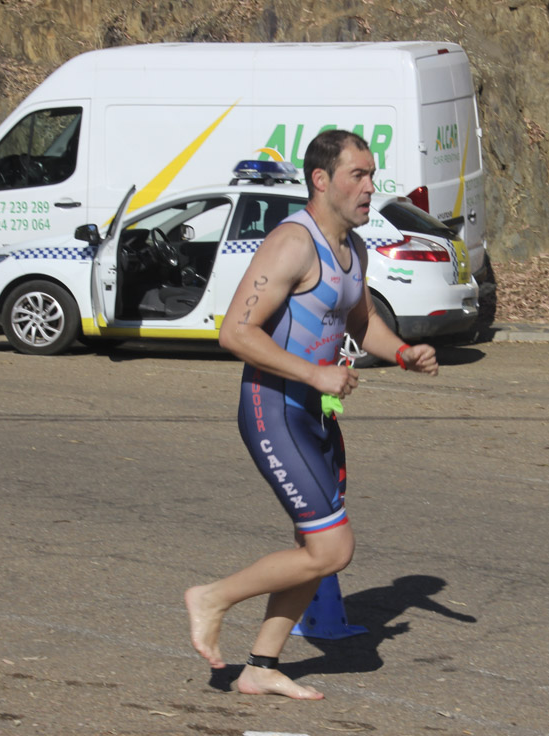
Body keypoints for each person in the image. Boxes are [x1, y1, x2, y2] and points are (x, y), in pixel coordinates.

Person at [184, 130, 439, 700]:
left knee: (313, 551)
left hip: (313, 416)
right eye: (358, 175)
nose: (371, 187)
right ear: (321, 180)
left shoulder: (354, 247)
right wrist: (314, 373)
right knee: (332, 550)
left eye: (372, 175)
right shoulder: (292, 244)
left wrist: (400, 352)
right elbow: (235, 332)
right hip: (272, 408)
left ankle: (260, 665)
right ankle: (213, 597)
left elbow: (358, 318)